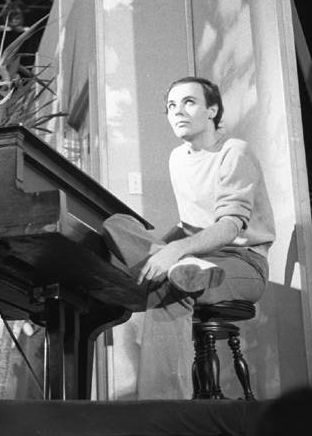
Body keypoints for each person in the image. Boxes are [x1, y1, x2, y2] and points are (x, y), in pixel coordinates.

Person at [103, 76, 275, 399]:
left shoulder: (234, 152)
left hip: (243, 264)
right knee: (116, 223)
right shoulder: (177, 159)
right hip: (197, 258)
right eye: (171, 106)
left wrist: (175, 251)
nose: (178, 111)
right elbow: (188, 224)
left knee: (171, 287)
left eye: (189, 102)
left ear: (212, 110)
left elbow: (230, 227)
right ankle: (182, 269)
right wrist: (163, 250)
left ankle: (163, 407)